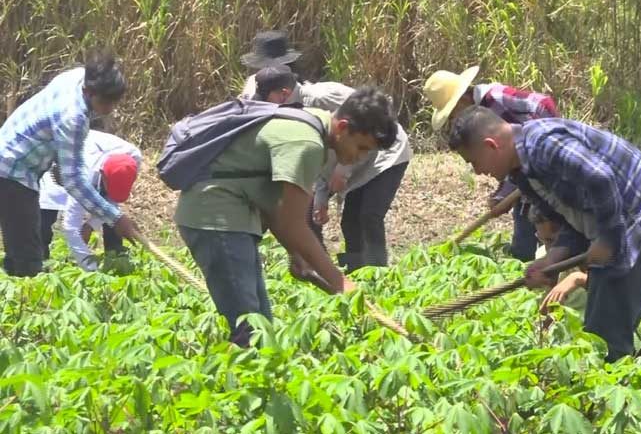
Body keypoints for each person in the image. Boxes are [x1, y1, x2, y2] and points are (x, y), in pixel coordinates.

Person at [448, 106, 641, 362]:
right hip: (620, 225)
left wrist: (607, 238)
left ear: (491, 145)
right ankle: (638, 371)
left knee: (605, 334)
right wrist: (552, 260)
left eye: (473, 162)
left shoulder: (544, 145)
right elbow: (572, 215)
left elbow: (601, 178)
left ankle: (621, 385)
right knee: (605, 325)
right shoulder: (522, 173)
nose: (478, 172)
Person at [173, 85, 398, 347]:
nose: (359, 157)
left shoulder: (313, 122)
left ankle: (255, 377)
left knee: (260, 324)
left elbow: (280, 210)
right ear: (343, 127)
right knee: (250, 328)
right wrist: (340, 282)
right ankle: (243, 383)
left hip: (229, 215)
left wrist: (297, 254)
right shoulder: (307, 144)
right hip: (216, 217)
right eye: (361, 148)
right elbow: (292, 224)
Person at [249, 65, 412, 271]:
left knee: (368, 215)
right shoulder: (292, 113)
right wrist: (321, 196)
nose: (265, 104)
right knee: (349, 220)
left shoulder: (321, 97)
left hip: (386, 155)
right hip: (355, 159)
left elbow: (375, 116)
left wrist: (344, 169)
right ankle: (352, 272)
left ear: (283, 94)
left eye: (267, 97)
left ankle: (377, 272)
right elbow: (322, 158)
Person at [0, 50, 140, 277]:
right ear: (89, 91)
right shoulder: (73, 118)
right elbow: (73, 181)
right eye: (106, 102)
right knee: (28, 259)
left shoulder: (76, 76)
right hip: (13, 171)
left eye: (114, 101)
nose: (110, 109)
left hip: (10, 153)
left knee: (20, 244)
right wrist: (115, 218)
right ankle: (21, 302)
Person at [422, 66, 559, 261]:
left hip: (543, 133)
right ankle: (527, 253)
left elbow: (510, 150)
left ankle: (535, 255)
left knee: (537, 205)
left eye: (453, 114)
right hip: (525, 149)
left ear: (462, 100)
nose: (456, 119)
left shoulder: (496, 104)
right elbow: (504, 155)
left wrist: (505, 194)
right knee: (525, 203)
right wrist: (502, 195)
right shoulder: (484, 106)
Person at [39, 129, 141, 271]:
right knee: (44, 218)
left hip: (89, 156)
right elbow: (70, 226)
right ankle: (38, 267)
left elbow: (111, 204)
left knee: (114, 220)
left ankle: (116, 260)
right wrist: (90, 269)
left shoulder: (133, 158)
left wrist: (90, 226)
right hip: (59, 159)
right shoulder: (84, 174)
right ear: (102, 175)